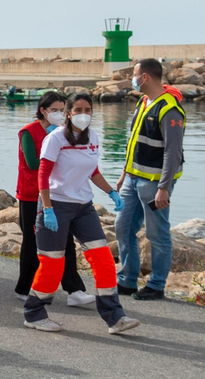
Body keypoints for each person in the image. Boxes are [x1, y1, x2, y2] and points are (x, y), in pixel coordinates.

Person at [25, 93, 139, 336]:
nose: (83, 114)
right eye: (77, 109)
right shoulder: (55, 139)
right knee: (53, 266)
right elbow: (43, 175)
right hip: (55, 204)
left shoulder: (93, 137)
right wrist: (47, 209)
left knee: (104, 261)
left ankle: (115, 317)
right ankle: (34, 313)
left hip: (83, 207)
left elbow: (93, 170)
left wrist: (111, 192)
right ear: (68, 113)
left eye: (87, 109)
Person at [114, 58, 187, 300]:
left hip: (154, 184)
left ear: (144, 77)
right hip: (134, 179)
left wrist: (164, 188)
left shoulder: (169, 108)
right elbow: (134, 141)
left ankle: (157, 284)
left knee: (157, 234)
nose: (132, 79)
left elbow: (173, 152)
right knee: (123, 227)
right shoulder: (144, 102)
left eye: (134, 74)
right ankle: (127, 280)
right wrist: (124, 173)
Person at [15, 92, 93, 306]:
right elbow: (32, 163)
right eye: (55, 110)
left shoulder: (64, 134)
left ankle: (74, 290)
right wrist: (55, 154)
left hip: (58, 196)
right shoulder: (29, 132)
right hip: (32, 196)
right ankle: (25, 287)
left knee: (66, 241)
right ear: (43, 110)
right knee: (32, 243)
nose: (60, 114)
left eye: (62, 110)